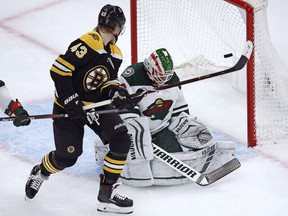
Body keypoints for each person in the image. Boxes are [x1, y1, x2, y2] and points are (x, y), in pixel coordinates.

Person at [25, 5, 142, 214]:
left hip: (95, 107)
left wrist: (117, 94)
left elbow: (107, 84)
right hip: (69, 109)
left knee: (121, 140)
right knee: (67, 158)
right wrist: (70, 100)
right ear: (118, 27)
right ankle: (40, 172)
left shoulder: (115, 54)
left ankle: (107, 194)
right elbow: (59, 70)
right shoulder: (89, 41)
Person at [95, 48, 236, 186]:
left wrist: (184, 124)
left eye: (166, 76)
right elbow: (126, 110)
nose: (163, 80)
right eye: (160, 75)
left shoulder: (173, 79)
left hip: (161, 130)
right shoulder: (132, 75)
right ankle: (126, 161)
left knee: (175, 158)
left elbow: (178, 109)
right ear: (149, 68)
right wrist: (140, 137)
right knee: (134, 134)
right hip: (136, 129)